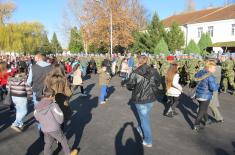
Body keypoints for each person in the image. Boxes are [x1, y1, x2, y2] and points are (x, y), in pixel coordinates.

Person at [126, 55, 161, 147]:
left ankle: (148, 140)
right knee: (145, 117)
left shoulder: (135, 72)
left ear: (138, 61)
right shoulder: (154, 71)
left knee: (144, 120)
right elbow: (158, 82)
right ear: (146, 61)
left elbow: (129, 86)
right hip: (151, 98)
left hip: (140, 99)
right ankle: (140, 129)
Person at [34, 88, 77, 155]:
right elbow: (60, 116)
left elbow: (36, 116)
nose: (54, 97)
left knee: (48, 143)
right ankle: (69, 153)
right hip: (54, 128)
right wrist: (60, 122)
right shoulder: (53, 105)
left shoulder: (38, 105)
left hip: (45, 128)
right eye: (53, 96)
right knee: (63, 140)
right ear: (51, 96)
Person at [193, 61, 219, 132]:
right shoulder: (210, 76)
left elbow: (195, 80)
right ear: (209, 68)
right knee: (201, 111)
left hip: (198, 94)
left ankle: (207, 120)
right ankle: (196, 125)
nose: (215, 70)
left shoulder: (200, 72)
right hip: (205, 96)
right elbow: (213, 88)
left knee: (203, 109)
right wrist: (218, 85)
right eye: (214, 68)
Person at [7, 68, 32, 132]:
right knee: (24, 111)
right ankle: (16, 123)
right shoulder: (24, 81)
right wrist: (30, 96)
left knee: (19, 110)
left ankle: (20, 123)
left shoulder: (11, 81)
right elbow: (28, 89)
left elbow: (8, 88)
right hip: (22, 97)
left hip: (14, 97)